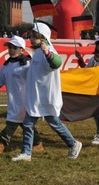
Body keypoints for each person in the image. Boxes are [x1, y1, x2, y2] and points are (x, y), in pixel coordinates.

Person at [11, 23, 82, 161]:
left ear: (42, 37)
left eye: (33, 36)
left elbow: (56, 63)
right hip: (37, 98)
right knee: (28, 123)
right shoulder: (37, 52)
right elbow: (34, 71)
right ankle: (26, 152)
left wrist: (47, 53)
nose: (30, 38)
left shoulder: (48, 50)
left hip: (46, 97)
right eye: (30, 36)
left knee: (55, 124)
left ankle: (73, 144)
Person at [0, 36, 44, 153]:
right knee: (22, 122)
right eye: (10, 47)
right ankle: (37, 143)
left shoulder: (28, 64)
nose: (11, 49)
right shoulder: (5, 66)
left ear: (22, 49)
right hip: (14, 100)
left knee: (14, 121)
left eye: (15, 47)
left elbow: (38, 78)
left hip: (27, 99)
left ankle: (1, 143)